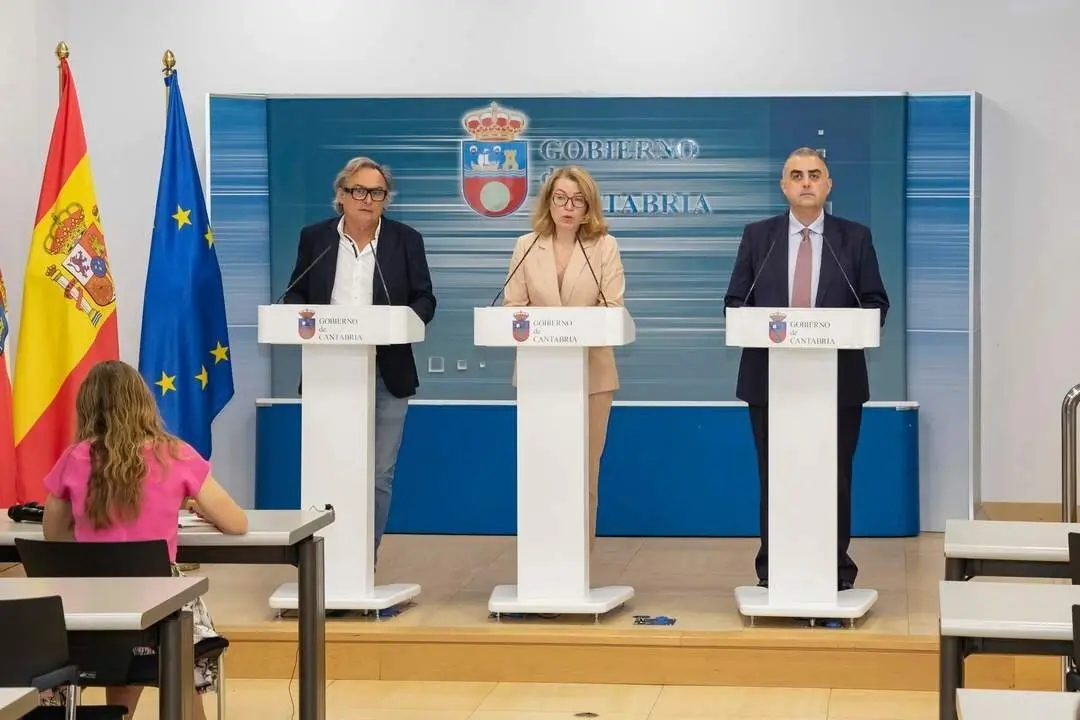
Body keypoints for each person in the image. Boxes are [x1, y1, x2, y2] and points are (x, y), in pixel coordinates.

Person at [40, 359, 248, 720]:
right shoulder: (175, 454)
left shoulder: (75, 458)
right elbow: (236, 523)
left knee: (123, 641)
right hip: (160, 611)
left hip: (92, 611)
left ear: (88, 407)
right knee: (179, 632)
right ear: (143, 402)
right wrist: (196, 503)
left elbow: (53, 535)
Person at [723, 147, 889, 590]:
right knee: (775, 476)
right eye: (796, 175)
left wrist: (843, 326)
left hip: (837, 382)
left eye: (815, 174)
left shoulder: (854, 238)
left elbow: (875, 302)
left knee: (833, 477)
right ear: (784, 186)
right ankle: (772, 570)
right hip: (769, 382)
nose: (806, 182)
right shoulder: (759, 237)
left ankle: (835, 570)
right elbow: (736, 302)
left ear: (829, 184)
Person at [283, 156, 436, 562]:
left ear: (387, 199)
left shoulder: (406, 240)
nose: (367, 199)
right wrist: (295, 312)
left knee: (378, 473)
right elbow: (296, 293)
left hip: (389, 371)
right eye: (359, 191)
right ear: (341, 195)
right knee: (328, 467)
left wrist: (404, 322)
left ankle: (361, 559)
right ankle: (324, 561)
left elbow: (424, 298)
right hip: (328, 372)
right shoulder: (314, 239)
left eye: (377, 193)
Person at [503, 166, 627, 549]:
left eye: (577, 200)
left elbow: (612, 308)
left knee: (583, 470)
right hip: (541, 376)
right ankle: (542, 559)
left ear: (589, 206)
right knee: (544, 469)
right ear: (548, 201)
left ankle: (578, 560)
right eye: (560, 198)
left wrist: (566, 325)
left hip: (592, 375)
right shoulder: (526, 245)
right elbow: (513, 308)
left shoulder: (604, 246)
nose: (568, 207)